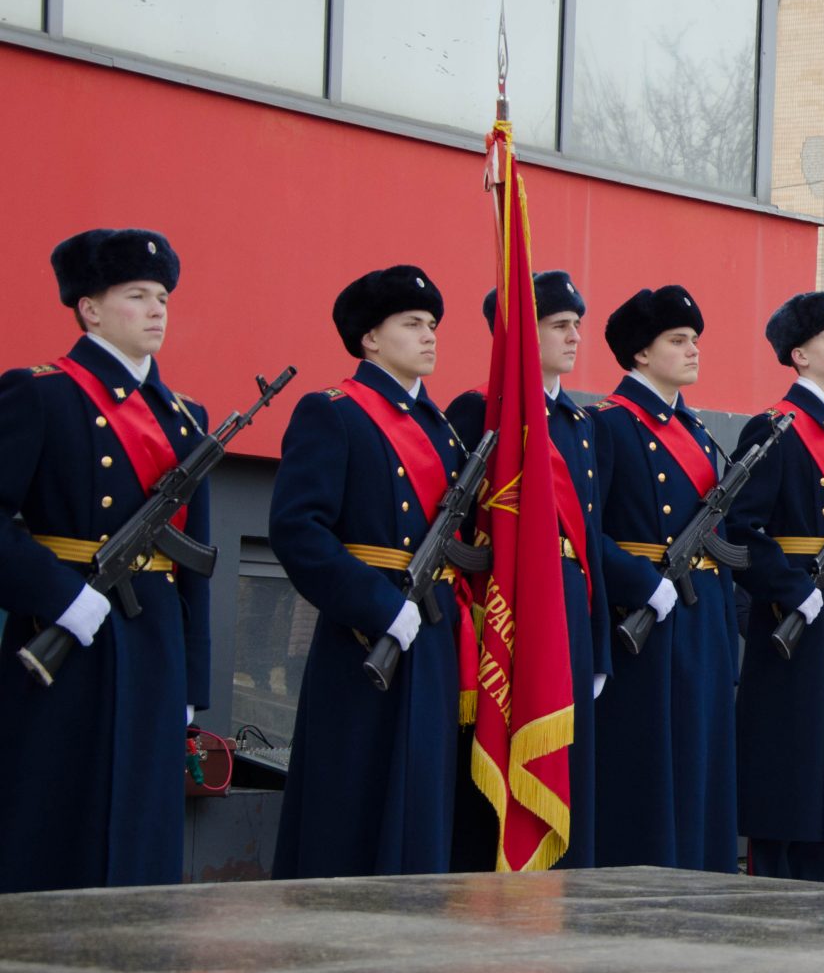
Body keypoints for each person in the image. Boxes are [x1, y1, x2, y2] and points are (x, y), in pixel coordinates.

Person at [0, 229, 210, 893]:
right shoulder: (39, 395)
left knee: (143, 828)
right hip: (65, 635)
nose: (157, 311)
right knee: (60, 811)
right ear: (89, 308)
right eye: (137, 295)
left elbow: (193, 567)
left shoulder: (186, 417)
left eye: (163, 297)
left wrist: (190, 683)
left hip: (152, 645)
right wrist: (58, 593)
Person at [270, 265, 470, 878]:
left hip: (432, 632)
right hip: (367, 635)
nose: (430, 335)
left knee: (422, 795)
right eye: (412, 324)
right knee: (353, 795)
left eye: (433, 324)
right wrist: (378, 607)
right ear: (371, 339)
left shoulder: (443, 431)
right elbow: (297, 530)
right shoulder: (333, 412)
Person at [446, 271, 611, 870]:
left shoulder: (579, 422)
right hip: (510, 603)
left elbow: (589, 543)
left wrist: (598, 648)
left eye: (576, 326)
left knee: (570, 766)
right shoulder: (478, 410)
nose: (574, 337)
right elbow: (461, 522)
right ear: (519, 334)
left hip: (569, 604)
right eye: (558, 325)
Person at [728, 291, 824, 883]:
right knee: (790, 766)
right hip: (795, 616)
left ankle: (819, 874)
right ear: (799, 355)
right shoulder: (776, 430)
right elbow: (739, 531)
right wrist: (792, 589)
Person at [590, 285, 741, 873]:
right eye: (677, 341)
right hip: (646, 621)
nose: (693, 350)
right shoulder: (609, 425)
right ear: (640, 354)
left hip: (699, 612)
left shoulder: (697, 430)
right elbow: (585, 530)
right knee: (650, 766)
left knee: (700, 763)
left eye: (695, 340)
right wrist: (639, 582)